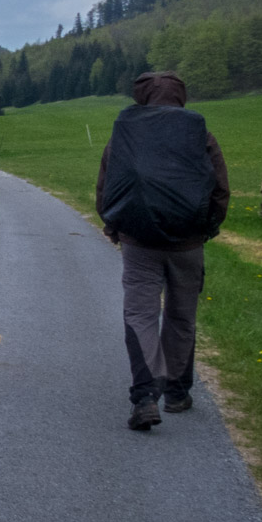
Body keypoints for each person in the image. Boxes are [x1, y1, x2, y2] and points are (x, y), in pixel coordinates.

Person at [95, 71, 230, 431]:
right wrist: (207, 229)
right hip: (188, 244)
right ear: (181, 95)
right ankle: (177, 393)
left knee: (140, 314)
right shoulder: (200, 132)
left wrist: (113, 226)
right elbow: (219, 189)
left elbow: (108, 184)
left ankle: (144, 398)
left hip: (139, 243)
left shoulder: (125, 133)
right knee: (181, 316)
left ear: (142, 96)